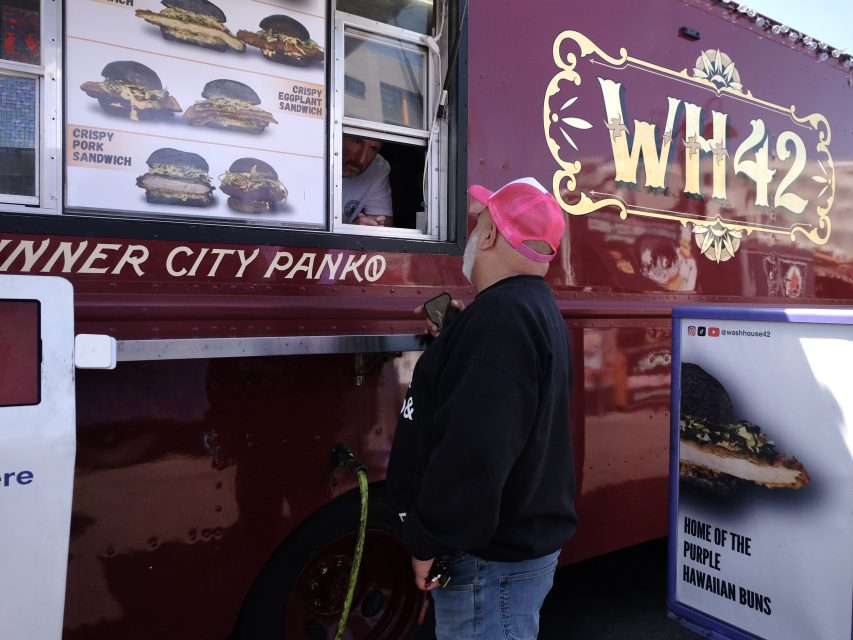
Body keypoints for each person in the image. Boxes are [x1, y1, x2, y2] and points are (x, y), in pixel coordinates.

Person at [386, 177, 578, 639]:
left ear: (490, 236)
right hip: (508, 555)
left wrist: (427, 539)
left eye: (479, 224)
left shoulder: (500, 320)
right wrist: (457, 331)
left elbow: (475, 451)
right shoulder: (526, 308)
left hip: (489, 563)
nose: (473, 235)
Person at [341, 134, 393, 226]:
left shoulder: (378, 168)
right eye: (357, 142)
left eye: (372, 148)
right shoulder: (312, 155)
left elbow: (384, 226)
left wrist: (370, 227)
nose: (361, 159)